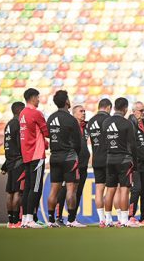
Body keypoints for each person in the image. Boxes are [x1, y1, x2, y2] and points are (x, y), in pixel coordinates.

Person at [46, 90, 85, 228]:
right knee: (71, 189)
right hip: (69, 157)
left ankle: (51, 220)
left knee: (54, 190)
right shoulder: (70, 119)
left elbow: (49, 136)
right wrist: (75, 154)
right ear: (67, 102)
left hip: (54, 156)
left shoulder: (50, 118)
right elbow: (78, 142)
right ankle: (71, 220)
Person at [102, 97, 139, 227]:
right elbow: (132, 145)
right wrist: (134, 162)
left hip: (110, 159)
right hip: (124, 159)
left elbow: (104, 142)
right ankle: (123, 220)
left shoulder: (106, 122)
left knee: (110, 189)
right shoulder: (127, 123)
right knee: (124, 189)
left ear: (114, 107)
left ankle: (107, 219)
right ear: (125, 108)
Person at [19, 88, 49, 228]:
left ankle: (25, 219)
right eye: (37, 97)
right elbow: (47, 131)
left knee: (28, 188)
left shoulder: (22, 114)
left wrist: (44, 141)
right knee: (35, 188)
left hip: (27, 155)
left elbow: (32, 134)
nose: (38, 99)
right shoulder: (36, 113)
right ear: (32, 97)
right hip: (37, 155)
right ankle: (30, 219)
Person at [56, 104, 90, 225]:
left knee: (78, 191)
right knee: (65, 190)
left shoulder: (86, 127)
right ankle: (58, 217)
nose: (84, 113)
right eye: (81, 111)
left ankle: (72, 218)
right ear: (74, 114)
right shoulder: (69, 126)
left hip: (83, 164)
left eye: (84, 111)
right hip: (71, 163)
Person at [88, 99, 113, 227]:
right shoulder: (108, 120)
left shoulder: (91, 121)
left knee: (99, 189)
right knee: (111, 188)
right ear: (108, 107)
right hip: (108, 158)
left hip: (96, 158)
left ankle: (101, 219)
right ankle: (109, 219)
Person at [1, 102, 25, 228]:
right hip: (18, 162)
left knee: (10, 192)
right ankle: (16, 221)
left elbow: (7, 145)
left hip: (10, 161)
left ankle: (10, 220)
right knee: (18, 192)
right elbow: (20, 144)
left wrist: (5, 163)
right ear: (20, 110)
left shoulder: (8, 124)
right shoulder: (18, 124)